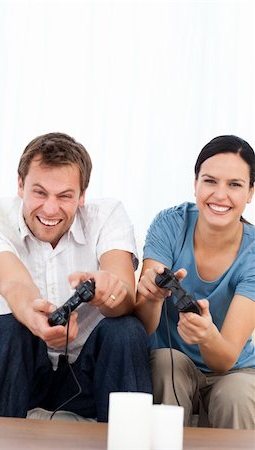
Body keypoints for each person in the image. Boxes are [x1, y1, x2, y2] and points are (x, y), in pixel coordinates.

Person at [0, 132, 152, 421]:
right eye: (39, 192)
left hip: (92, 375)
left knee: (126, 329)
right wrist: (35, 316)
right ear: (20, 186)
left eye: (65, 196)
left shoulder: (107, 215)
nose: (51, 208)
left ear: (81, 196)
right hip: (26, 373)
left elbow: (124, 291)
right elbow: (13, 282)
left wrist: (108, 294)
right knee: (6, 328)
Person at [135, 135, 255, 429]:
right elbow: (144, 325)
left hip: (233, 369)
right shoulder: (170, 224)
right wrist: (151, 295)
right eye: (210, 181)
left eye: (235, 185)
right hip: (173, 362)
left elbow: (225, 358)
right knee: (165, 364)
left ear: (251, 192)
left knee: (236, 394)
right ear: (195, 183)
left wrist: (207, 336)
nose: (220, 195)